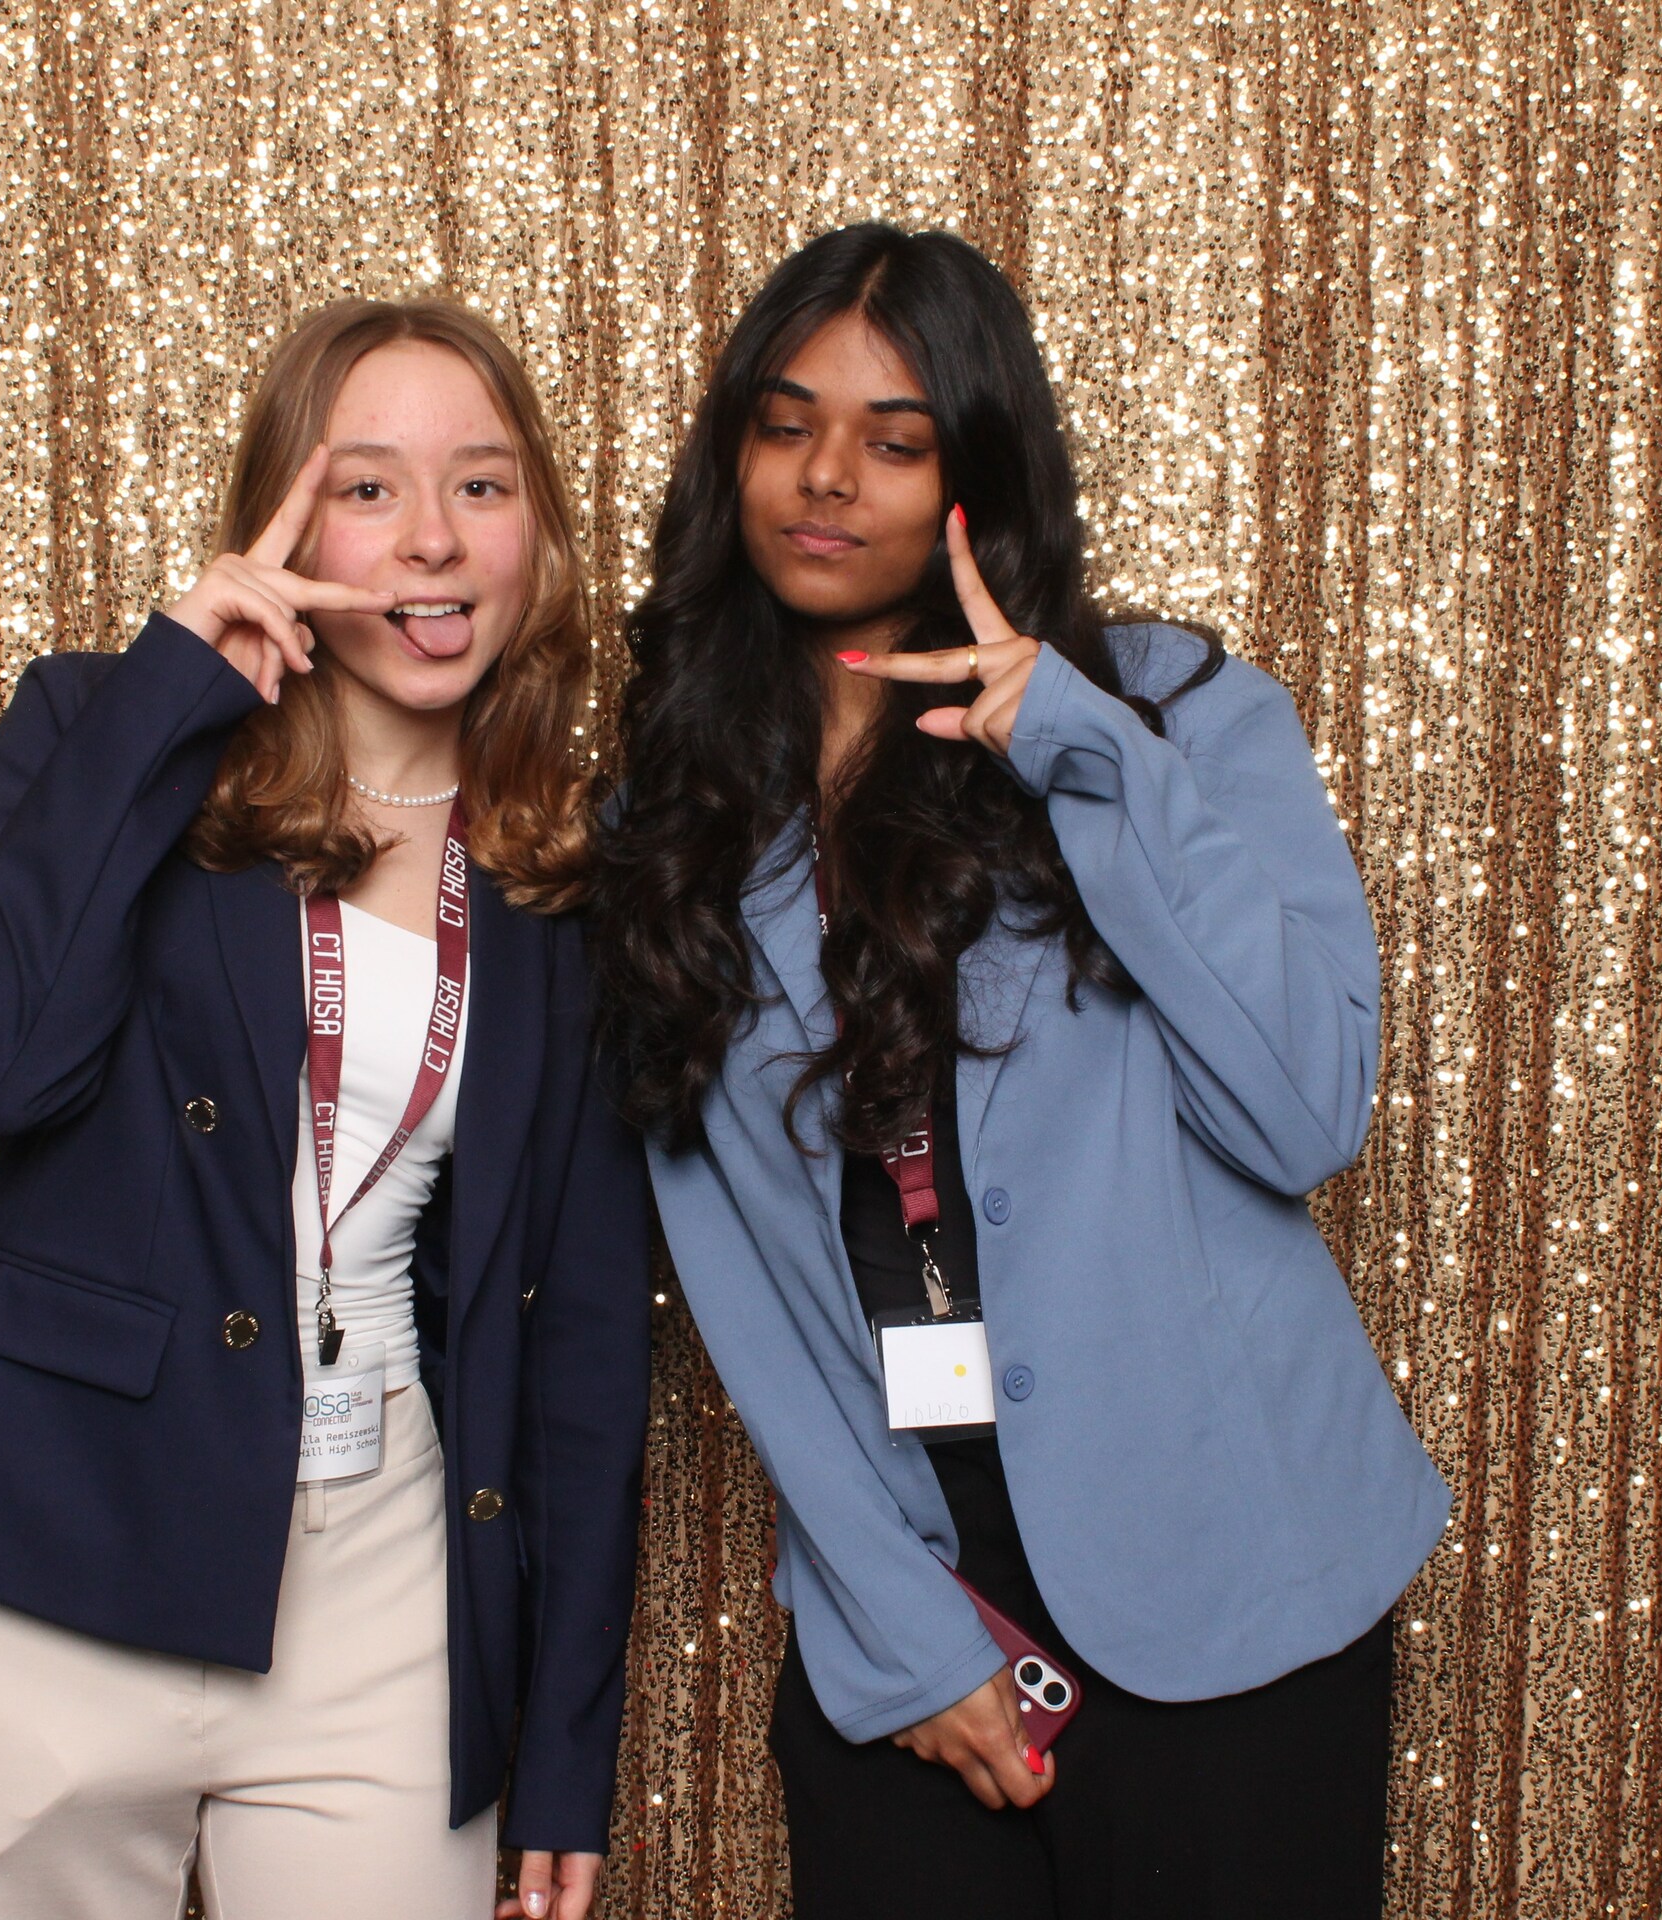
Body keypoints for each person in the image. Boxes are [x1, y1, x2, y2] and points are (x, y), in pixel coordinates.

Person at [591, 224, 1450, 1917]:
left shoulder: (1177, 716)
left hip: (1229, 1578)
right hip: (909, 1601)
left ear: (976, 473)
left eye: (897, 440)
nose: (827, 477)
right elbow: (733, 1280)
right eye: (786, 424)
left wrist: (1077, 747)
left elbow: (1303, 1109)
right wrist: (902, 1631)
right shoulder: (676, 811)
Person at [0, 298, 650, 1920]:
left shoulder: (570, 866)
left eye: (481, 486)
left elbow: (585, 1328)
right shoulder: (108, 730)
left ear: (538, 536)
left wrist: (564, 1739)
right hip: (56, 1557)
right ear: (284, 517)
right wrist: (175, 691)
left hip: (383, 1589)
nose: (430, 537)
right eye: (368, 487)